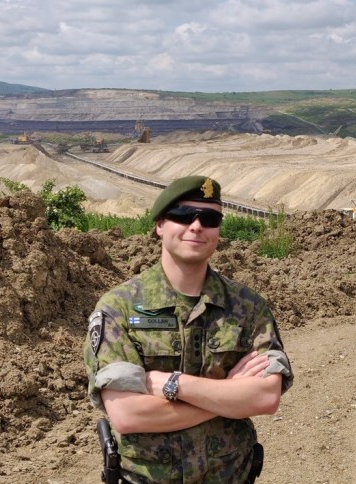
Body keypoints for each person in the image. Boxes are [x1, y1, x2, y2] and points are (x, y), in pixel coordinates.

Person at [83, 175, 293, 483]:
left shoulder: (248, 307)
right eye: (183, 215)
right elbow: (127, 415)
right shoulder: (120, 308)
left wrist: (174, 384)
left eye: (209, 219)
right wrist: (229, 396)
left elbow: (265, 398)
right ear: (160, 224)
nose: (196, 226)